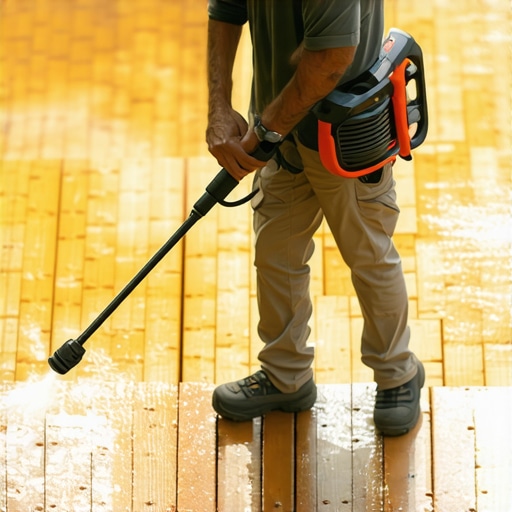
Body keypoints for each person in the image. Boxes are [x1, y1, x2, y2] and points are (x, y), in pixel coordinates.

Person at [205, 0, 425, 437]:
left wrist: (266, 131)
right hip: (276, 126)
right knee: (275, 253)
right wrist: (218, 106)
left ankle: (398, 375)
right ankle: (286, 376)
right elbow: (227, 10)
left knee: (368, 255)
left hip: (344, 130)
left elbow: (329, 62)